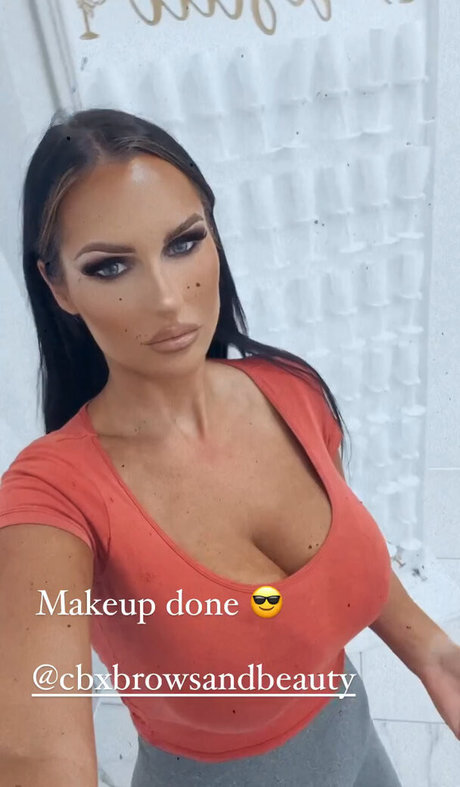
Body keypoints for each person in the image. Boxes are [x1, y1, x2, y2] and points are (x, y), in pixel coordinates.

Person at [0, 108, 458, 787]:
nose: (166, 299)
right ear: (57, 285)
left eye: (183, 243)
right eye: (110, 266)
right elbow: (35, 754)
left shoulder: (292, 390)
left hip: (359, 748)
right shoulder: (52, 497)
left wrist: (436, 657)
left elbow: (340, 565)